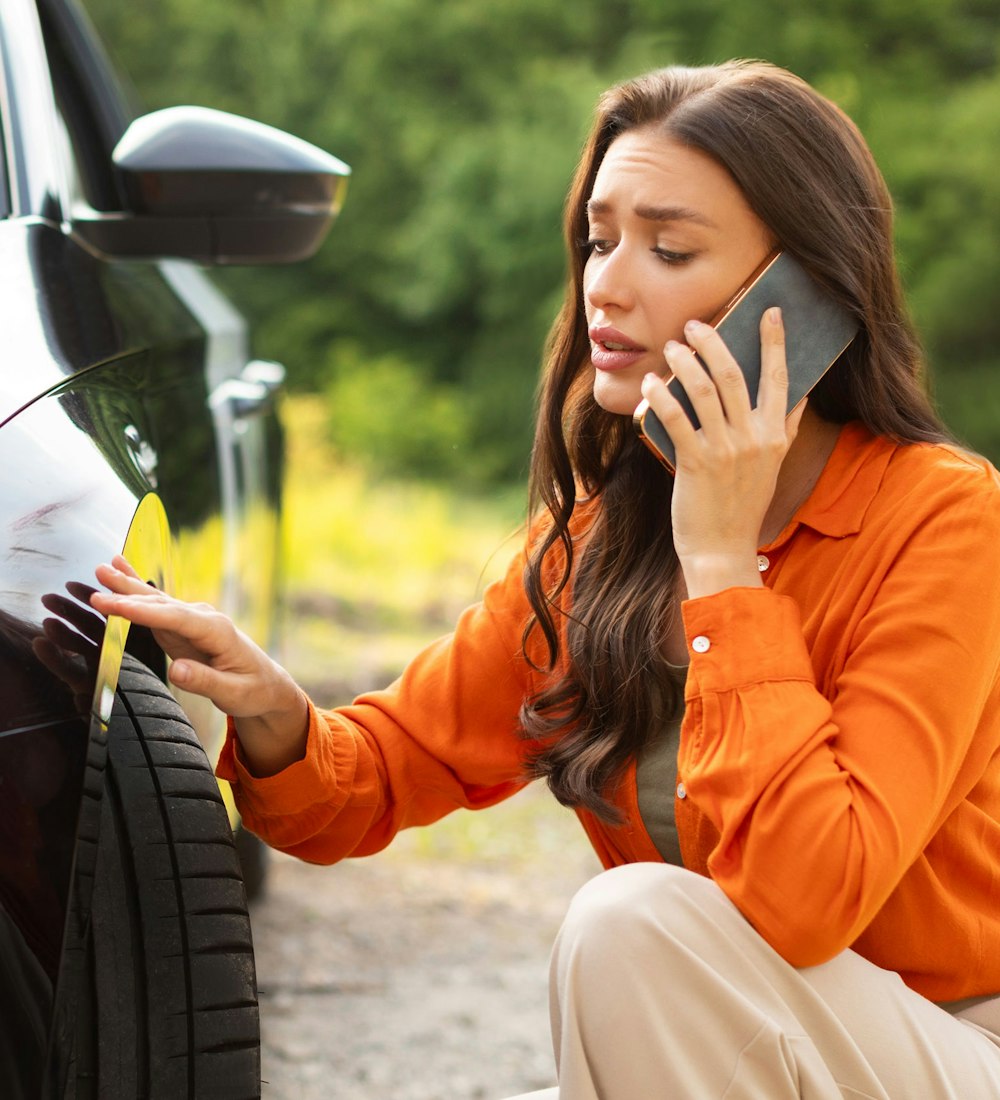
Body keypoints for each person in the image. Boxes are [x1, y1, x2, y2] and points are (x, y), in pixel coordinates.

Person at [90, 60, 1000, 1098]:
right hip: (728, 1058)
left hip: (947, 1044)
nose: (606, 285)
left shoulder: (941, 516)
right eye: (598, 240)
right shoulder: (598, 541)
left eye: (669, 248)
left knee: (630, 925)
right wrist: (272, 710)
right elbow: (373, 778)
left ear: (802, 297)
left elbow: (808, 897)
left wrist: (721, 564)